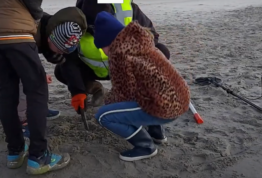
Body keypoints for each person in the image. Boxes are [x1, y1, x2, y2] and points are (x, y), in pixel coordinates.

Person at [0, 0, 71, 175]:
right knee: (37, 90)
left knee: (6, 92)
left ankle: (15, 152)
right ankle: (39, 156)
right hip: (17, 30)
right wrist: (35, 16)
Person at [93, 11, 190, 161]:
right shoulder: (143, 42)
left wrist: (108, 102)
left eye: (101, 47)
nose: (103, 52)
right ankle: (157, 134)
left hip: (164, 107)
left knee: (103, 116)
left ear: (108, 42)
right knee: (147, 92)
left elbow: (124, 93)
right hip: (181, 100)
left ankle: (145, 146)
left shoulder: (119, 53)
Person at [54, 0, 171, 117]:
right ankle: (95, 88)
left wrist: (134, 48)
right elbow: (68, 59)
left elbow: (152, 36)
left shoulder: (128, 8)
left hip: (125, 69)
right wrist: (77, 91)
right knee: (60, 71)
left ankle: (142, 96)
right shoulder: (74, 21)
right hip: (92, 69)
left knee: (161, 51)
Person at [18, 7, 88, 138]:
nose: (61, 54)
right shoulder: (33, 29)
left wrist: (78, 92)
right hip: (14, 44)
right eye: (60, 50)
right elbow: (25, 59)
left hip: (32, 48)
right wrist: (38, 71)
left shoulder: (58, 29)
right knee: (22, 81)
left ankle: (40, 109)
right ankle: (23, 121)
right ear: (50, 39)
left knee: (39, 77)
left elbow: (69, 63)